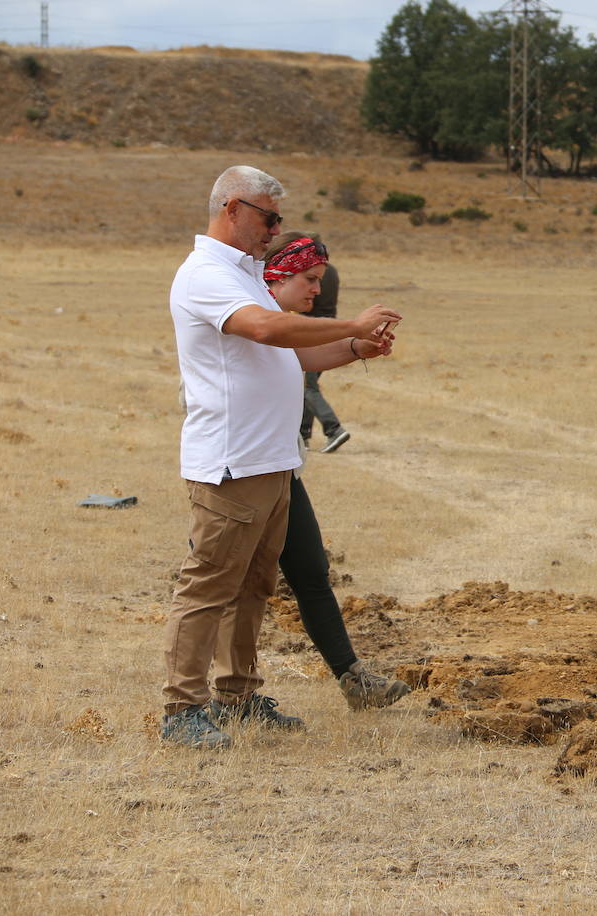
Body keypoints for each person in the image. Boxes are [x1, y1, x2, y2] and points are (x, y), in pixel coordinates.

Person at [162, 165, 401, 750]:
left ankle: (238, 697)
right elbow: (268, 330)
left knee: (253, 589)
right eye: (269, 218)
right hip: (232, 461)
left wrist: (352, 346)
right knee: (209, 587)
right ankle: (182, 710)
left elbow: (288, 358)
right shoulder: (204, 274)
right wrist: (349, 321)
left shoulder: (242, 272)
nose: (275, 230)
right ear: (234, 208)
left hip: (271, 464)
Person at [263, 232, 411, 711]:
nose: (317, 292)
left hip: (281, 467)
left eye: (320, 281)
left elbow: (301, 355)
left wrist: (356, 346)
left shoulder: (281, 324)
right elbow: (283, 338)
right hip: (237, 474)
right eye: (310, 280)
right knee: (223, 588)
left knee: (311, 573)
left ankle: (354, 680)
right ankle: (203, 700)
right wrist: (351, 326)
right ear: (278, 274)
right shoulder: (252, 318)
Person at [301, 263, 349, 453]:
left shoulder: (308, 273)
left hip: (312, 331)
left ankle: (334, 429)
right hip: (329, 328)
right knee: (306, 385)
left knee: (307, 387)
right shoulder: (332, 271)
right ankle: (302, 435)